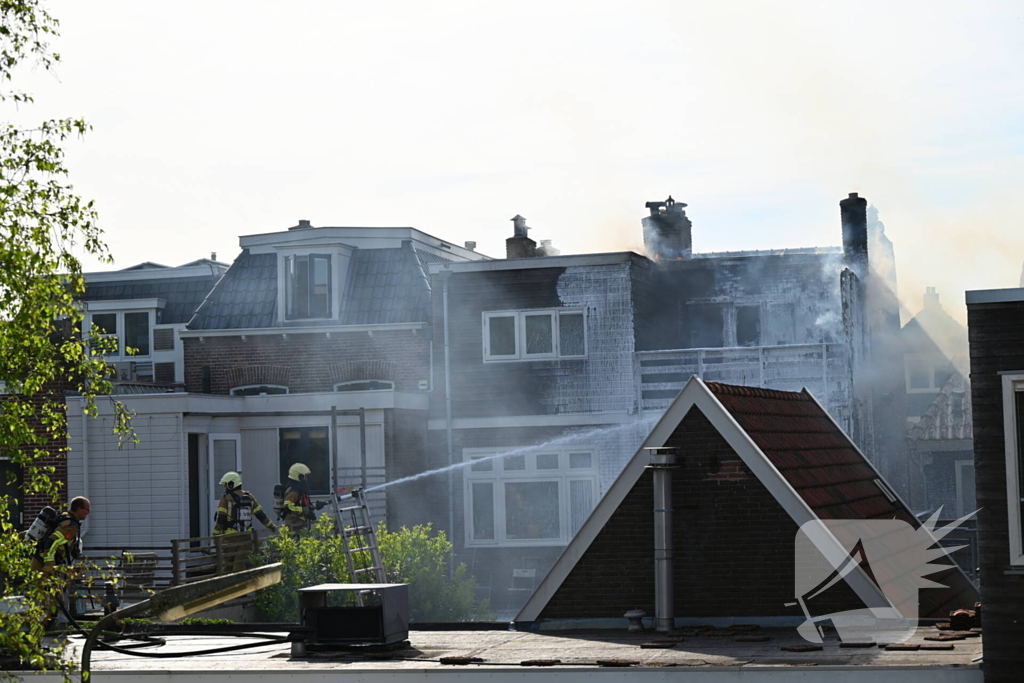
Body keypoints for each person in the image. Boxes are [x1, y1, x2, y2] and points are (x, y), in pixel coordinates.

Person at [30, 496, 90, 618]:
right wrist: (49, 564)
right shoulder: (71, 526)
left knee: (43, 594)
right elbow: (51, 542)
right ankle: (45, 625)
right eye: (87, 509)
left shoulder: (64, 518)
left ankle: (43, 623)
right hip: (45, 563)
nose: (88, 513)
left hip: (39, 559)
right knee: (51, 596)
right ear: (79, 509)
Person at [213, 472, 276, 571]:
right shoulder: (249, 497)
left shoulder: (226, 498)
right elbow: (261, 515)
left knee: (227, 567)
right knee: (239, 566)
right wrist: (272, 526)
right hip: (246, 537)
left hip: (230, 538)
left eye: (225, 484)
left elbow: (221, 518)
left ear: (231, 484)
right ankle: (241, 584)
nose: (225, 487)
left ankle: (230, 585)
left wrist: (215, 535)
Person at [282, 462, 316, 534]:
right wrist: (305, 511)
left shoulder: (300, 491)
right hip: (293, 527)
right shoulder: (293, 492)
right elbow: (288, 508)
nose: (306, 479)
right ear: (300, 477)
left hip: (300, 526)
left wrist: (314, 506)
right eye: (305, 476)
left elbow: (302, 504)